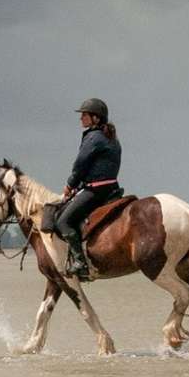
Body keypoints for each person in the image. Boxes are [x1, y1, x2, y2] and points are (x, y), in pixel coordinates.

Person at [55, 97, 122, 282]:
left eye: (84, 115)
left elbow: (80, 165)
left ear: (96, 118)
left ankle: (80, 262)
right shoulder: (111, 138)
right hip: (111, 188)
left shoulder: (93, 137)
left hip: (95, 190)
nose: (81, 118)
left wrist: (70, 185)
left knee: (63, 221)